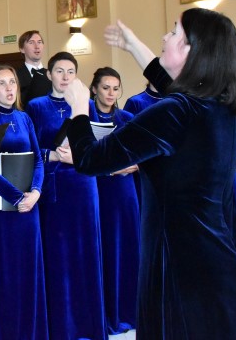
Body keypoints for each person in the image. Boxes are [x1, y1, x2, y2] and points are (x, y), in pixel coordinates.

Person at [64, 9, 236, 337]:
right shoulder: (226, 106)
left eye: (174, 32)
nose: (165, 36)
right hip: (222, 256)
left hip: (181, 265)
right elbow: (174, 90)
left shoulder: (176, 113)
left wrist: (79, 107)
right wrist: (133, 45)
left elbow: (90, 160)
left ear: (194, 51)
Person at [26, 52, 106, 340]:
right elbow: (31, 149)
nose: (65, 76)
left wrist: (80, 157)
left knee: (86, 251)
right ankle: (61, 325)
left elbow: (97, 143)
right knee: (58, 253)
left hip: (84, 185)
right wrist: (53, 155)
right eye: (59, 71)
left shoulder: (87, 105)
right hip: (54, 185)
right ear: (49, 75)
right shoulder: (36, 106)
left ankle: (88, 325)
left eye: (70, 71)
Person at [0, 65, 47, 340]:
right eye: (2, 83)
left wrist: (35, 193)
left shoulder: (24, 118)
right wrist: (16, 197)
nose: (9, 88)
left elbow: (38, 160)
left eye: (12, 82)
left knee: (26, 271)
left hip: (28, 208)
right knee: (1, 272)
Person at [88, 67, 140, 336]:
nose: (111, 93)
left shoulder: (128, 118)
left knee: (127, 248)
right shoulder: (85, 117)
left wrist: (133, 165)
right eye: (105, 87)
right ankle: (105, 313)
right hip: (98, 189)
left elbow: (145, 154)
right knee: (103, 248)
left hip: (125, 190)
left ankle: (128, 311)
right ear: (94, 89)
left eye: (115, 88)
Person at [14, 30, 53, 103]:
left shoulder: (52, 75)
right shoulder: (15, 76)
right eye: (31, 42)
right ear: (22, 49)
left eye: (39, 42)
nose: (37, 46)